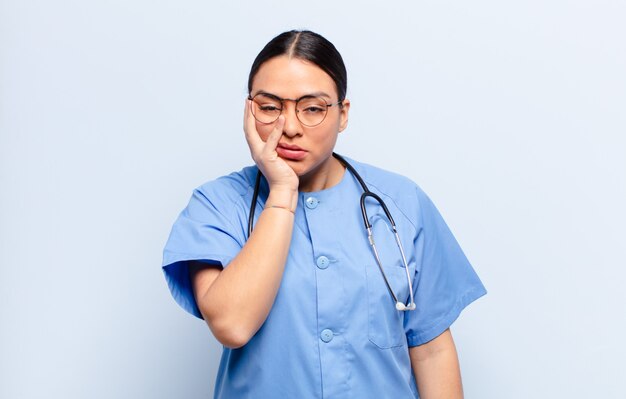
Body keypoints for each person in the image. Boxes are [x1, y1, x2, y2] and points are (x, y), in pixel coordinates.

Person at [162, 30, 486, 398]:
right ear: (249, 111)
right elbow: (233, 325)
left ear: (342, 114)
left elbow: (431, 351)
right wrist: (283, 192)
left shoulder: (402, 203)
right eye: (270, 107)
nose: (290, 127)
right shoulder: (217, 206)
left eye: (312, 108)